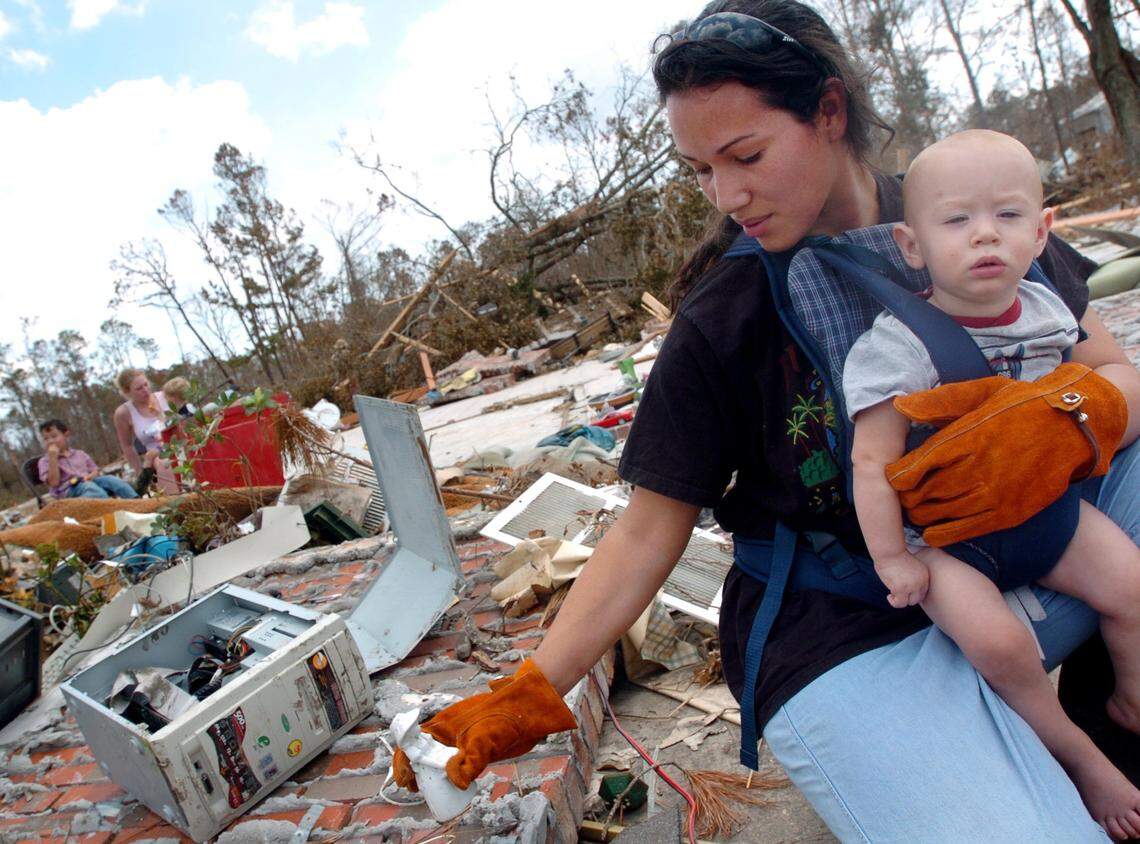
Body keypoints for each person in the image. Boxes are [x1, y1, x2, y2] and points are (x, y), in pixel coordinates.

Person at [393, 2, 1140, 839]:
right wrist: (531, 690)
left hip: (1026, 550)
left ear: (829, 111)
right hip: (854, 624)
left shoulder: (960, 208)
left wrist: (1079, 414)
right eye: (701, 170)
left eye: (745, 155)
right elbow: (645, 533)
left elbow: (1116, 373)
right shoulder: (726, 315)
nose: (728, 194)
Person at [845, 129, 1140, 830]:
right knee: (1000, 649)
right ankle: (1078, 757)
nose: (985, 236)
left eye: (1007, 217)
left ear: (1042, 234)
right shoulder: (898, 345)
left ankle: (1129, 697)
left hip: (1045, 511)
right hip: (949, 542)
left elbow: (1090, 396)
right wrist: (893, 556)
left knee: (1131, 584)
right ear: (912, 245)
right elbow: (870, 460)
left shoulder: (1047, 313)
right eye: (956, 220)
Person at [112, 368, 180, 495]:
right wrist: (141, 473)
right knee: (164, 463)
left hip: (179, 444)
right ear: (127, 392)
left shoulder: (165, 397)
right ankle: (176, 503)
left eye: (146, 384)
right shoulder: (123, 413)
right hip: (156, 454)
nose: (145, 390)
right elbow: (127, 446)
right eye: (139, 388)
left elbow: (185, 418)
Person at [37, 419, 138, 500]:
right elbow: (53, 483)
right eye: (46, 439)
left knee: (112, 480)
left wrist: (92, 475)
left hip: (89, 482)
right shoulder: (45, 461)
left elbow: (95, 470)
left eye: (54, 436)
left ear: (66, 434)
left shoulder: (80, 454)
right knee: (91, 488)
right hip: (68, 491)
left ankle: (136, 501)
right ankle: (111, 511)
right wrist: (53, 458)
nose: (50, 441)